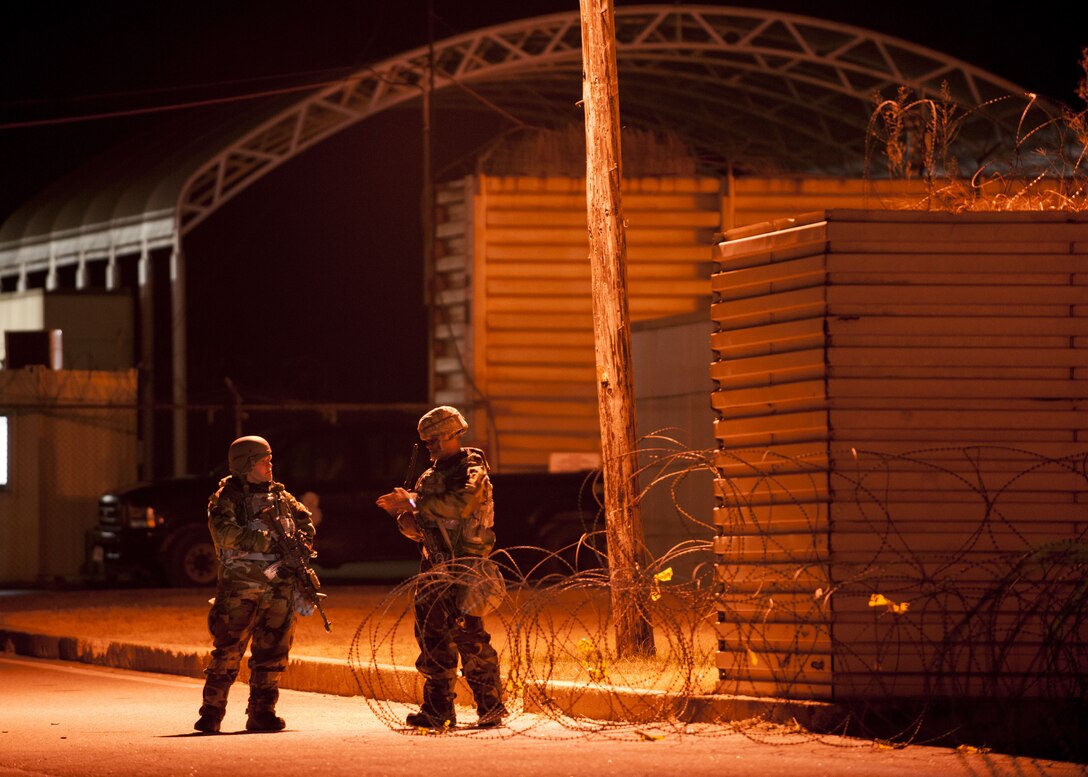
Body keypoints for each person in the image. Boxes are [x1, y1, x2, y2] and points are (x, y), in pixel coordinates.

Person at [376, 406, 506, 730]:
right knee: (432, 640)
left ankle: (490, 707)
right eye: (426, 441)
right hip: (435, 568)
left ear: (453, 434)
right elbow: (421, 524)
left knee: (470, 639)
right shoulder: (429, 477)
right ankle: (437, 710)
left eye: (435, 439)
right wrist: (407, 521)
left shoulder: (473, 470)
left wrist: (414, 503)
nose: (430, 446)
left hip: (466, 567)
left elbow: (462, 504)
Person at [194, 435, 315, 734]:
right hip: (241, 588)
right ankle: (212, 711)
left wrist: (298, 548)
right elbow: (223, 533)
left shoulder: (282, 498)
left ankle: (263, 711)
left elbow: (305, 524)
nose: (269, 465)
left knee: (273, 652)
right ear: (247, 463)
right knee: (228, 651)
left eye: (270, 459)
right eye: (264, 460)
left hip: (279, 589)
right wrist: (265, 540)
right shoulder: (227, 499)